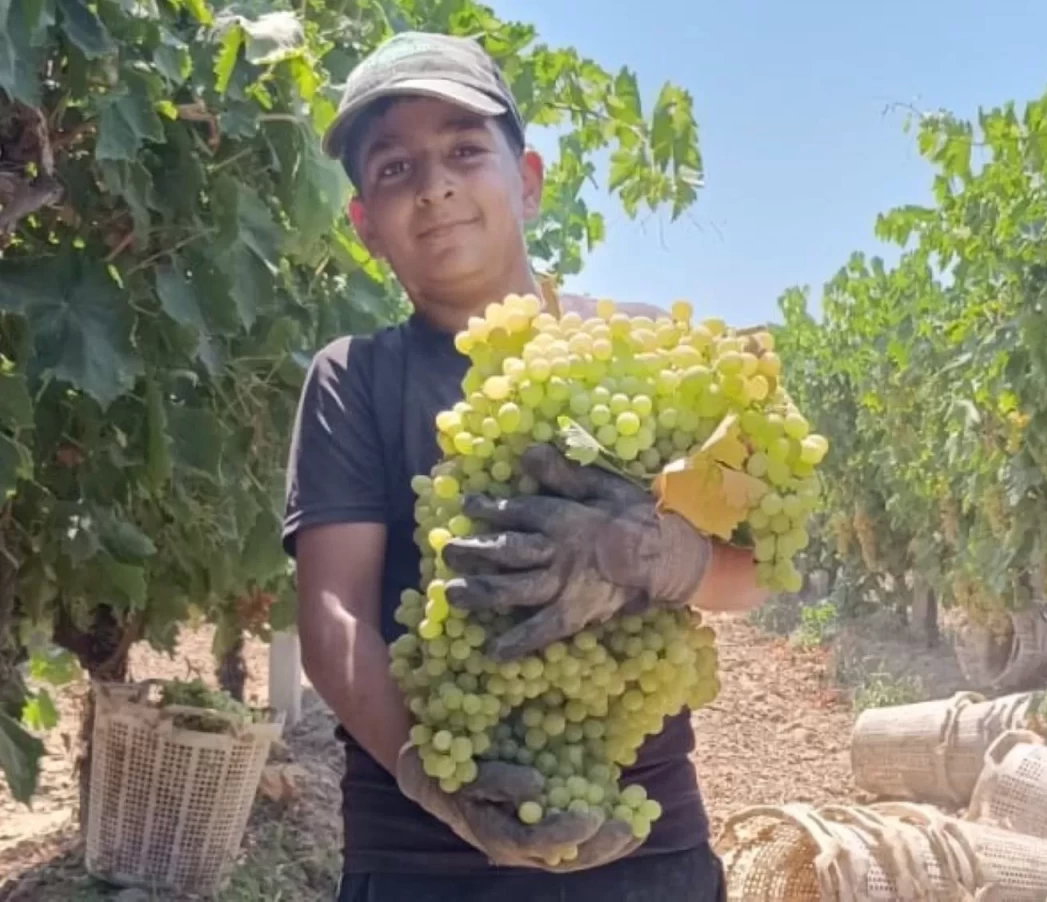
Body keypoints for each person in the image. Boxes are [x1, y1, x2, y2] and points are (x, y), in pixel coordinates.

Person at [281, 31, 768, 902]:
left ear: (529, 181)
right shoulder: (353, 378)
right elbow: (335, 619)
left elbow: (754, 580)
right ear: (364, 226)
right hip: (418, 861)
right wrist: (437, 781)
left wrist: (663, 555)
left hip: (642, 847)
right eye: (394, 170)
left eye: (465, 151)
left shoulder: (647, 358)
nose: (434, 186)